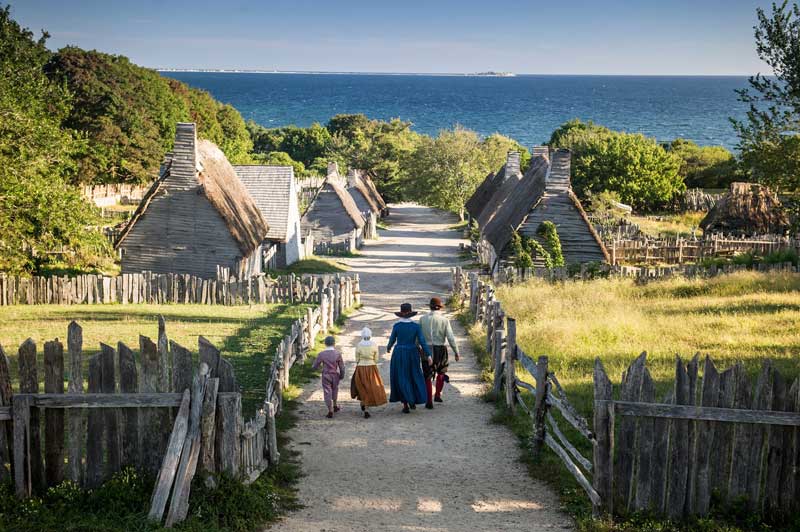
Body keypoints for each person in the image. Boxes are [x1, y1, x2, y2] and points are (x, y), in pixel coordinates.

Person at [387, 303, 432, 414]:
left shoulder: (397, 326)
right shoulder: (416, 326)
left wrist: (388, 348)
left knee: (402, 377)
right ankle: (412, 399)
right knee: (414, 375)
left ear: (401, 313)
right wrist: (429, 355)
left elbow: (392, 339)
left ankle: (406, 404)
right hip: (412, 352)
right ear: (410, 313)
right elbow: (422, 341)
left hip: (399, 353)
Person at [419, 297, 460, 404]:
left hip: (426, 349)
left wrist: (417, 347)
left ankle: (429, 400)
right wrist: (456, 351)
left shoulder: (422, 319)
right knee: (441, 372)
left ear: (430, 307)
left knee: (427, 375)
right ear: (440, 308)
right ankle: (437, 394)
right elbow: (450, 337)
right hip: (440, 348)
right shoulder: (445, 320)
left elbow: (418, 337)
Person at [350, 327, 388, 418]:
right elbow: (376, 358)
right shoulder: (374, 345)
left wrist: (359, 363)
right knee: (370, 387)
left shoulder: (359, 345)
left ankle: (364, 404)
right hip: (371, 367)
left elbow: (357, 358)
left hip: (361, 367)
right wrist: (373, 362)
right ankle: (366, 408)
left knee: (361, 386)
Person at [312, 336, 345, 418]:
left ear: (325, 343)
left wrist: (317, 368)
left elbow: (315, 366)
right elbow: (342, 367)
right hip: (335, 375)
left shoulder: (321, 354)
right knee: (335, 389)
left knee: (327, 392)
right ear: (334, 343)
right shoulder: (338, 354)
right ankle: (335, 405)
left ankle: (330, 410)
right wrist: (342, 375)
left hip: (326, 375)